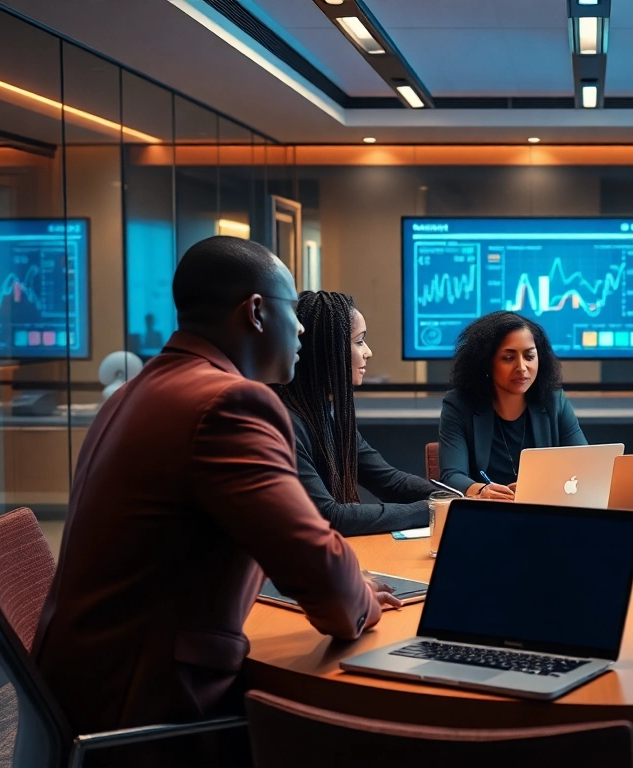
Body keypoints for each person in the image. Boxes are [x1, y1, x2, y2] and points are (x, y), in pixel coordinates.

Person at [33, 237, 400, 764]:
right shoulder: (229, 404)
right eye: (292, 311)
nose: (301, 330)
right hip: (150, 712)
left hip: (84, 690)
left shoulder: (139, 390)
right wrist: (359, 596)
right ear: (256, 312)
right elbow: (324, 580)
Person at [276, 291, 432, 535]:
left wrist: (456, 499)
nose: (368, 352)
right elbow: (330, 516)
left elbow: (390, 481)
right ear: (330, 350)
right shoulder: (285, 422)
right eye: (359, 342)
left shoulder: (328, 414)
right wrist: (433, 509)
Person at [438, 311, 586, 499]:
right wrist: (481, 490)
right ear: (486, 362)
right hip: (487, 510)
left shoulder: (554, 401)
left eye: (529, 356)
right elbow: (451, 476)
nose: (522, 368)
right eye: (508, 358)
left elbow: (584, 464)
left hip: (543, 508)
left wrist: (544, 485)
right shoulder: (459, 404)